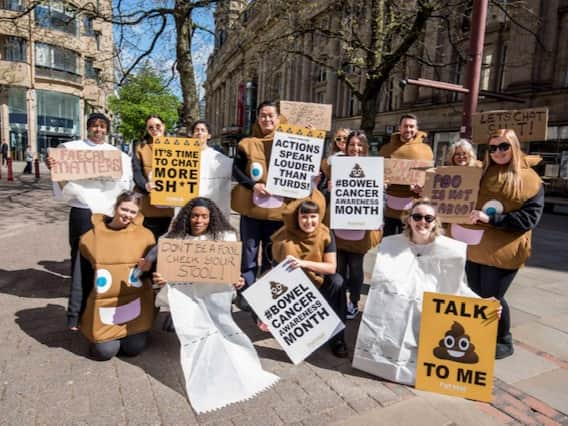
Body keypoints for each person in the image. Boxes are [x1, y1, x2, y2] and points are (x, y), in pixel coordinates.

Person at [152, 197, 278, 412]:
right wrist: (161, 280)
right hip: (187, 298)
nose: (199, 220)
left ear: (211, 218)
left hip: (215, 298)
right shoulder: (174, 240)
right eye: (194, 216)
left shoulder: (224, 239)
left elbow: (230, 274)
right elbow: (165, 275)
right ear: (187, 217)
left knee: (221, 331)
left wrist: (237, 280)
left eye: (203, 216)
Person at [352, 199, 484, 385]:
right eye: (417, 216)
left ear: (435, 222)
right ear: (409, 220)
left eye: (428, 218)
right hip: (398, 308)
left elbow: (458, 286)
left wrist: (483, 304)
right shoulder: (392, 245)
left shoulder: (450, 251)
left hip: (428, 311)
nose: (423, 222)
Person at [451, 129, 544, 359]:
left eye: (503, 146)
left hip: (504, 251)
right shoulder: (481, 173)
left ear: (514, 146)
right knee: (476, 294)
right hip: (474, 248)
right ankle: (480, 334)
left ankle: (503, 339)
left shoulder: (530, 179)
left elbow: (529, 219)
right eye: (493, 148)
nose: (498, 152)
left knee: (493, 297)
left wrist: (491, 219)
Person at [45, 112, 133, 329]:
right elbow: (61, 183)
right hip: (82, 212)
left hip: (107, 214)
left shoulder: (118, 155)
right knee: (79, 259)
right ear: (88, 128)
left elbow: (126, 184)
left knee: (104, 261)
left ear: (107, 130)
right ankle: (76, 314)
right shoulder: (71, 149)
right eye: (95, 125)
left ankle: (100, 311)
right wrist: (54, 167)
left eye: (103, 126)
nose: (99, 129)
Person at [74, 191, 155, 361]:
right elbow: (80, 278)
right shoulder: (91, 238)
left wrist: (148, 267)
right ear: (116, 207)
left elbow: (150, 276)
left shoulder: (146, 236)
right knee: (105, 352)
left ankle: (130, 336)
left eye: (133, 212)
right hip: (103, 305)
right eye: (124, 209)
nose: (127, 215)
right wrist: (73, 315)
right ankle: (99, 341)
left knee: (133, 349)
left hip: (132, 305)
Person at [271, 190, 348, 358]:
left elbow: (331, 268)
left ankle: (337, 338)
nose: (309, 221)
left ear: (319, 217)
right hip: (293, 289)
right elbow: (273, 273)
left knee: (338, 281)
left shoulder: (325, 233)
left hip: (318, 281)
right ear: (296, 218)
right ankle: (301, 338)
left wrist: (303, 264)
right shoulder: (283, 238)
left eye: (313, 216)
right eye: (304, 217)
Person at [231, 100, 289, 309]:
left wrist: (306, 136)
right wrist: (252, 185)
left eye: (270, 115)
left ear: (278, 118)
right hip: (252, 211)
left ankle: (266, 296)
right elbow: (236, 171)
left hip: (278, 214)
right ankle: (245, 293)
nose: (267, 119)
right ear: (258, 118)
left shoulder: (289, 140)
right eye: (262, 115)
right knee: (248, 253)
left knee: (272, 255)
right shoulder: (246, 143)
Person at [332, 131, 382, 319]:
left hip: (361, 230)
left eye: (359, 144)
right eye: (352, 144)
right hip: (338, 228)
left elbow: (380, 199)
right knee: (339, 269)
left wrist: (379, 211)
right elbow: (322, 191)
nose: (355, 148)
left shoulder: (374, 167)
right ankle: (339, 301)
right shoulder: (335, 165)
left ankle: (353, 302)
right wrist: (329, 189)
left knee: (355, 269)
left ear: (365, 147)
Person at [379, 114, 433, 236]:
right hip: (389, 205)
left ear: (417, 128)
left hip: (413, 206)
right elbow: (378, 173)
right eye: (405, 126)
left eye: (411, 126)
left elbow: (430, 176)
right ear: (400, 127)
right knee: (388, 242)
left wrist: (423, 188)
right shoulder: (387, 149)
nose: (408, 129)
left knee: (410, 242)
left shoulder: (425, 150)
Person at [132, 115, 174, 241]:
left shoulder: (175, 146)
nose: (154, 129)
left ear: (164, 126)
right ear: (147, 129)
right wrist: (145, 185)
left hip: (168, 203)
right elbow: (137, 172)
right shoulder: (140, 148)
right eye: (150, 127)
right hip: (147, 202)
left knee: (164, 238)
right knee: (148, 238)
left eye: (158, 126)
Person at [191, 120, 233, 219]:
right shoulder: (182, 156)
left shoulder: (219, 158)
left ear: (209, 135)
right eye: (196, 130)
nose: (199, 132)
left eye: (203, 130)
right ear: (192, 134)